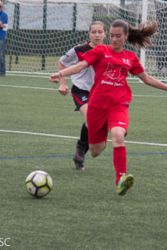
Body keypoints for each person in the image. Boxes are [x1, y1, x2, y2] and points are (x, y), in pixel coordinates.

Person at [49, 19, 167, 196]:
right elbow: (80, 65)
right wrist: (60, 74)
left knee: (118, 136)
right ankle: (108, 132)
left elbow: (146, 79)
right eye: (112, 36)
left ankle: (121, 179)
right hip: (97, 106)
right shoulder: (100, 50)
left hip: (119, 103)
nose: (114, 39)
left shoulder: (130, 57)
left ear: (126, 37)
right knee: (95, 151)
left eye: (118, 36)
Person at [55, 21, 106, 170]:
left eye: (100, 32)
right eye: (94, 32)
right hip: (81, 90)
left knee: (95, 123)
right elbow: (62, 63)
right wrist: (62, 83)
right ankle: (81, 150)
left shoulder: (109, 51)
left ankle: (80, 151)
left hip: (100, 93)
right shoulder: (79, 50)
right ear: (89, 34)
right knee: (91, 118)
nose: (97, 35)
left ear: (104, 34)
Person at [0, 1, 8, 76]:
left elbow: (5, 27)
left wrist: (1, 24)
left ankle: (2, 72)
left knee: (1, 55)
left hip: (2, 38)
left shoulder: (5, 15)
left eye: (0, 6)